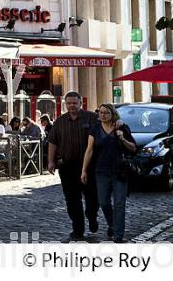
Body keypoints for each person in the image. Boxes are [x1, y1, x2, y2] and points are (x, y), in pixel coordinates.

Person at [47, 91, 100, 242]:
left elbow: (106, 127)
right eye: (69, 103)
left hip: (89, 166)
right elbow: (52, 142)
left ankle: (92, 216)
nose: (71, 106)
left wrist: (118, 123)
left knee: (92, 197)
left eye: (74, 103)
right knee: (72, 200)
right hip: (67, 166)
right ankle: (78, 230)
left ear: (80, 103)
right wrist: (51, 161)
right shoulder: (60, 121)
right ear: (65, 104)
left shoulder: (92, 118)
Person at [81, 104, 136, 243]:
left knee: (119, 203)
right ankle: (112, 224)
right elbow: (89, 150)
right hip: (101, 172)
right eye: (101, 112)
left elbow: (133, 148)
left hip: (119, 171)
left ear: (113, 114)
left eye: (106, 112)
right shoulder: (95, 129)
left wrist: (122, 138)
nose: (103, 115)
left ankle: (118, 235)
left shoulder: (122, 127)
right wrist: (84, 170)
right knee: (103, 202)